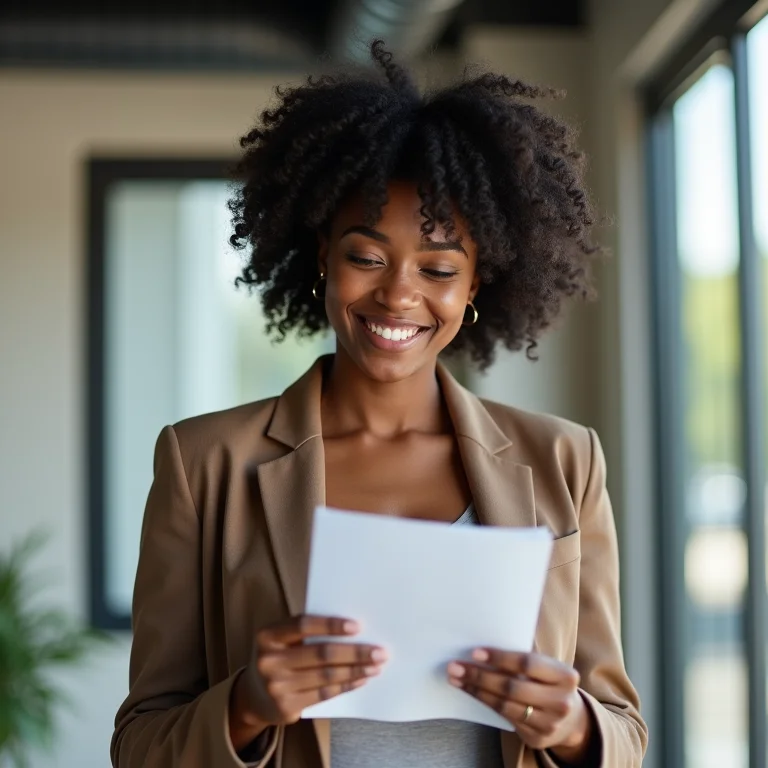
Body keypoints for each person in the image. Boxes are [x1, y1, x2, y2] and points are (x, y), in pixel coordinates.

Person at [111, 40, 647, 768]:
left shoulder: (563, 460)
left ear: (476, 286)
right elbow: (141, 743)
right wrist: (246, 706)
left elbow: (622, 730)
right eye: (366, 257)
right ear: (321, 260)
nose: (398, 295)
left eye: (438, 268)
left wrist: (575, 727)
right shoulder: (203, 463)